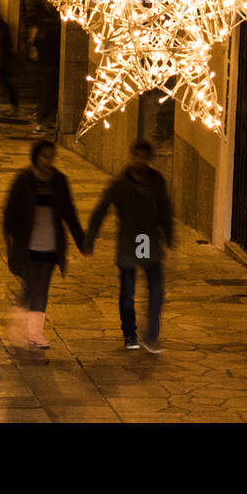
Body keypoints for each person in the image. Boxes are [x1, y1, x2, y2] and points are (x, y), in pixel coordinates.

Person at [86, 139, 174, 353]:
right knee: (128, 292)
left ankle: (151, 335)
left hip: (150, 239)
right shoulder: (120, 184)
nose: (141, 161)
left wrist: (169, 234)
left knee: (156, 291)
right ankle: (130, 333)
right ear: (132, 156)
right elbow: (102, 209)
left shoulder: (156, 181)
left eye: (145, 157)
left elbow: (164, 209)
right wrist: (90, 237)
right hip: (129, 241)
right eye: (137, 156)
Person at [2, 140, 86, 348]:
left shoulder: (59, 181)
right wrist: (9, 237)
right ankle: (18, 324)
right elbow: (10, 211)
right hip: (28, 244)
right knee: (31, 286)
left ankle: (35, 334)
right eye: (44, 156)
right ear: (36, 157)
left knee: (42, 289)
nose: (48, 161)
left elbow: (69, 212)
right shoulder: (24, 181)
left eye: (51, 156)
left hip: (50, 245)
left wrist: (82, 241)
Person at [29, 2, 61, 134]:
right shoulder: (56, 27)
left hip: (44, 64)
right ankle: (44, 121)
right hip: (52, 64)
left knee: (44, 94)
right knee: (49, 95)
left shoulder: (42, 26)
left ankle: (42, 121)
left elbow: (35, 43)